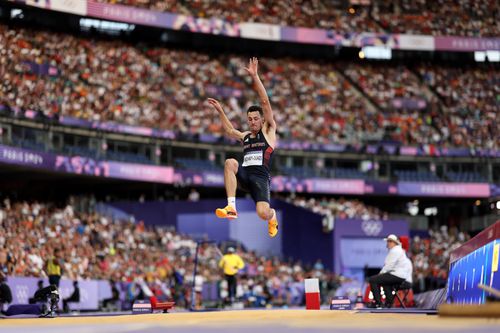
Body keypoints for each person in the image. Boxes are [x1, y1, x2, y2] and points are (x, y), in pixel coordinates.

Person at [208, 57, 279, 238]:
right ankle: (231, 207)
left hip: (260, 179)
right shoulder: (246, 136)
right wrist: (220, 111)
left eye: (256, 119)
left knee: (262, 213)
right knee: (230, 163)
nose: (253, 122)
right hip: (245, 175)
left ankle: (273, 216)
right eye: (250, 119)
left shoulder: (268, 131)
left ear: (262, 120)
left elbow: (265, 102)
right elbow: (230, 130)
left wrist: (255, 77)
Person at [368, 234, 413, 308]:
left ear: (395, 243)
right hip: (399, 275)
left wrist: (380, 274)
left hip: (397, 275)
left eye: (390, 241)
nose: (388, 243)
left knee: (372, 280)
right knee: (386, 282)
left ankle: (378, 303)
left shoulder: (395, 251)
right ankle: (389, 303)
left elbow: (389, 265)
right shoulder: (398, 250)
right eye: (388, 241)